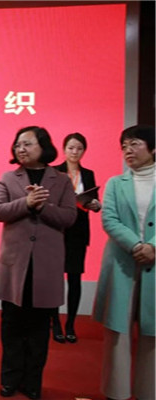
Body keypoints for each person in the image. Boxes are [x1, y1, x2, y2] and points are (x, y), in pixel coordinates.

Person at [0, 126, 76, 399]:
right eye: (18, 144)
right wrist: (26, 203)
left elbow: (69, 217)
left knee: (39, 329)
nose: (21, 149)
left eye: (27, 144)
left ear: (43, 147)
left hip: (46, 266)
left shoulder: (61, 180)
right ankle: (9, 379)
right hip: (14, 265)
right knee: (11, 326)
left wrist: (43, 207)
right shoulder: (8, 178)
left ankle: (32, 383)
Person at [93, 125, 155, 400]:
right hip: (122, 262)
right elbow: (109, 219)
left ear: (153, 148)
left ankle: (149, 392)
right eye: (124, 146)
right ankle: (116, 393)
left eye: (135, 144)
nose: (128, 150)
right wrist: (136, 246)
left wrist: (153, 246)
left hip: (155, 262)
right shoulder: (116, 183)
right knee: (118, 332)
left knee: (153, 332)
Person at [50, 133, 101, 344]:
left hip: (78, 232)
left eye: (79, 148)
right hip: (57, 230)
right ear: (64, 149)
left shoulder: (88, 174)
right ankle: (55, 323)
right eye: (71, 148)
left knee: (75, 278)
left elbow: (94, 199)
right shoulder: (54, 172)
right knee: (54, 279)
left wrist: (95, 205)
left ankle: (70, 324)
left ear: (84, 151)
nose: (74, 152)